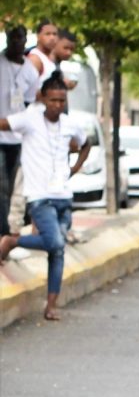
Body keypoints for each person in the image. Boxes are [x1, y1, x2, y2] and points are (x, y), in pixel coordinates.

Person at [0, 74, 90, 320]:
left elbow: (86, 143)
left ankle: (51, 306)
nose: (57, 105)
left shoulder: (71, 124)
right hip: (39, 196)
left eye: (61, 101)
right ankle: (12, 241)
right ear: (44, 99)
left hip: (64, 195)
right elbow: (4, 123)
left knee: (57, 252)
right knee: (56, 242)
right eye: (53, 100)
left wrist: (75, 168)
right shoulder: (30, 120)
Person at [0, 25, 39, 236]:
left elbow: (30, 103)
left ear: (25, 41)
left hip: (16, 138)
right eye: (11, 38)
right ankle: (4, 232)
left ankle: (6, 232)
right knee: (2, 186)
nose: (15, 43)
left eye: (19, 39)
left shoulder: (30, 71)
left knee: (12, 188)